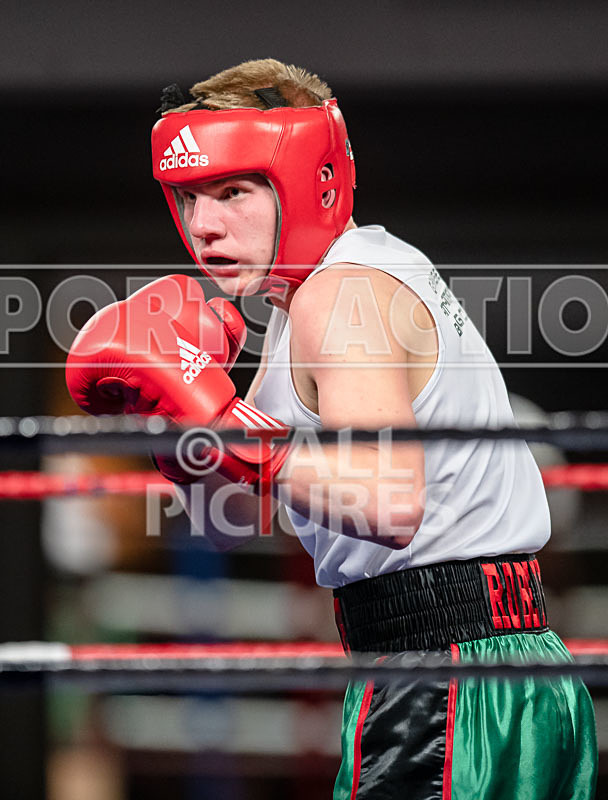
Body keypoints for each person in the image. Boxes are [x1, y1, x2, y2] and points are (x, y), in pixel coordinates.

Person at [66, 59, 597, 799]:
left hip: (449, 682)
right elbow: (236, 517)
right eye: (189, 198)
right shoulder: (314, 298)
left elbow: (388, 505)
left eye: (233, 192)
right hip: (473, 668)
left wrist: (222, 422)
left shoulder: (342, 295)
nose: (205, 224)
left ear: (307, 180)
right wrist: (177, 432)